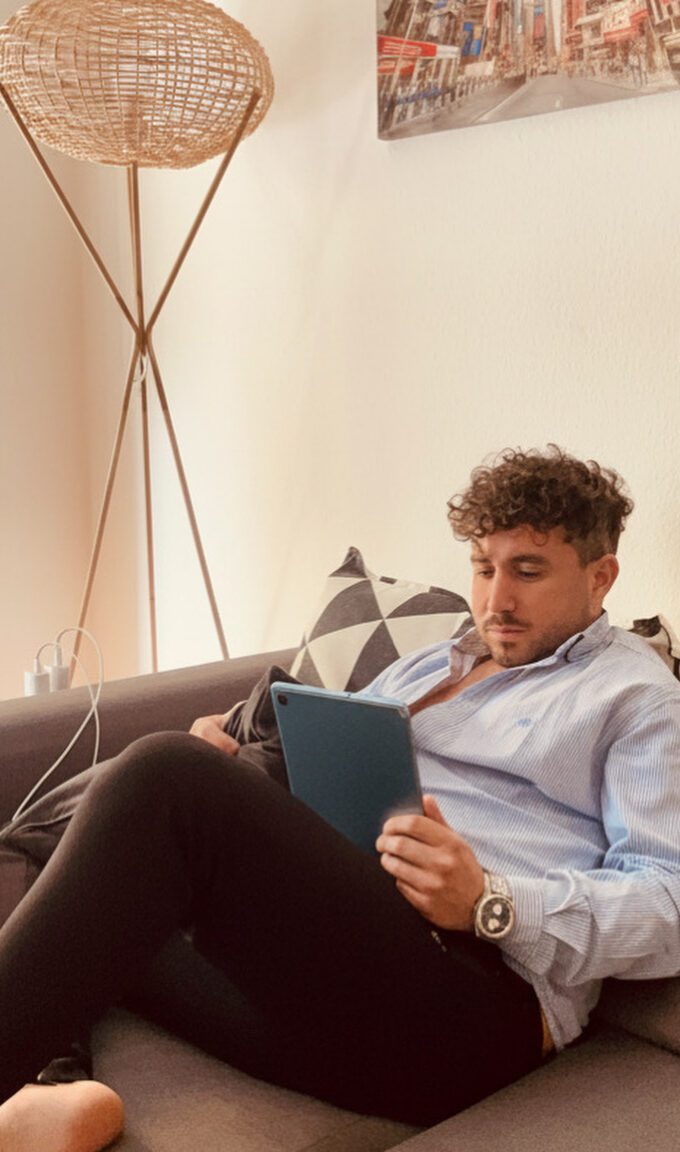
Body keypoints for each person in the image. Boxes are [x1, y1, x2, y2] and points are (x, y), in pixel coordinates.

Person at [1, 445, 679, 1152]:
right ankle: (46, 1092)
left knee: (161, 778)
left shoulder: (636, 698)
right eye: (484, 568)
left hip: (470, 1001)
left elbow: (669, 902)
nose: (496, 600)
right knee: (63, 838)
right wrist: (231, 750)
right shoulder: (438, 660)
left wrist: (487, 901)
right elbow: (330, 751)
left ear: (601, 577)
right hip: (344, 946)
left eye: (528, 572)